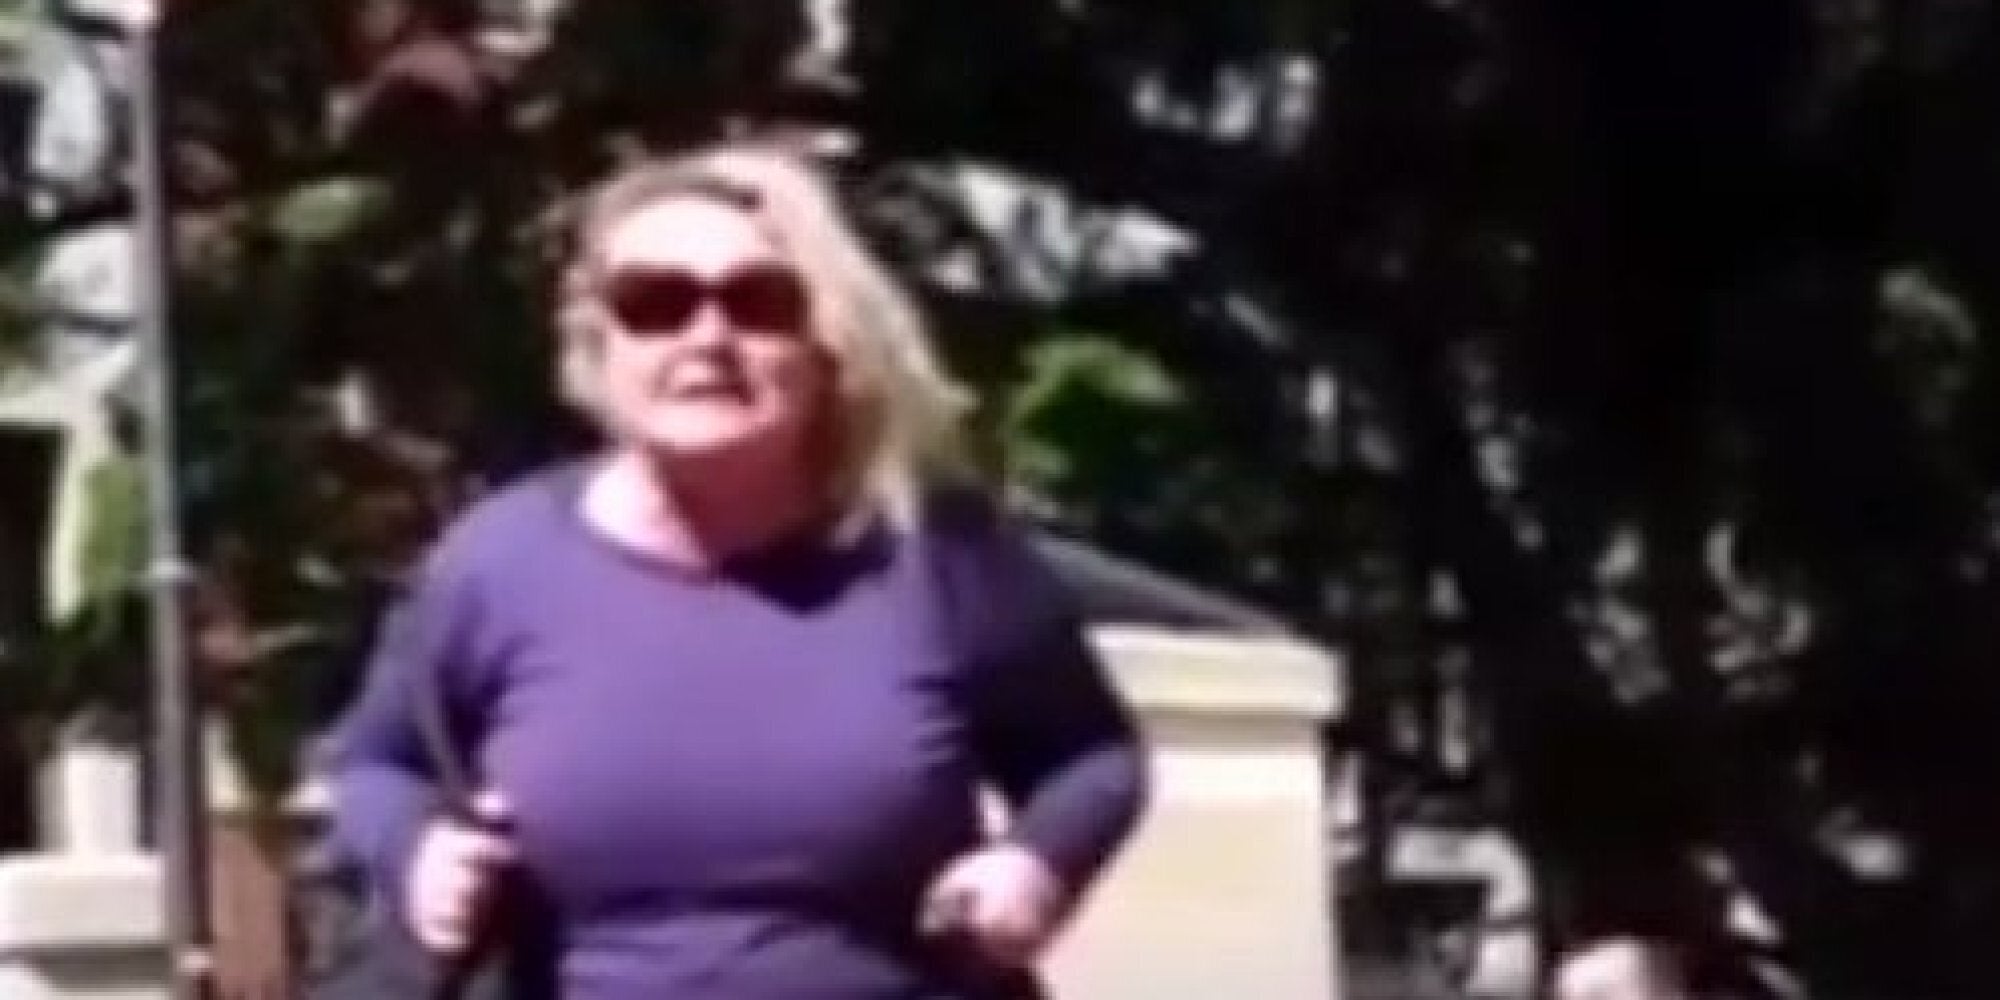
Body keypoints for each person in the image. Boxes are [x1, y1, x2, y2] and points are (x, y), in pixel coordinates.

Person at [325, 142, 1150, 1000]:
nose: (708, 338)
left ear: (826, 345)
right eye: (655, 305)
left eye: (758, 304)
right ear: (597, 345)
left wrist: (1036, 865)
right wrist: (417, 853)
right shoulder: (501, 561)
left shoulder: (939, 553)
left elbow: (1091, 756)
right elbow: (378, 764)